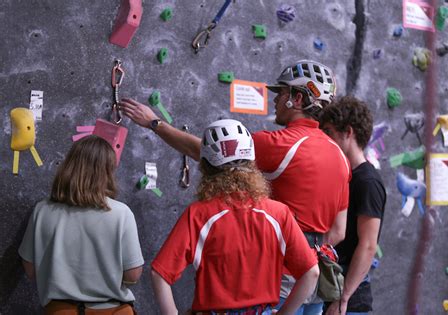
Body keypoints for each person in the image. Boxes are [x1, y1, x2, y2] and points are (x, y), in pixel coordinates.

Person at [120, 60, 350, 314]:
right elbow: (338, 230)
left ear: (296, 99)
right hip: (316, 275)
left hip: (281, 274)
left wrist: (155, 124)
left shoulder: (279, 144)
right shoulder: (339, 156)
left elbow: (211, 152)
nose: (274, 99)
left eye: (280, 92)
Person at [150, 119, 320, 314]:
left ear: (206, 165)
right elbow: (311, 273)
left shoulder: (199, 214)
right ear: (251, 161)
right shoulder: (279, 213)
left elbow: (159, 273)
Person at [18, 135, 144, 315]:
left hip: (61, 311)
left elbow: (30, 270)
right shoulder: (121, 213)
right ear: (107, 171)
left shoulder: (42, 210)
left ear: (69, 166)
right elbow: (133, 275)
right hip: (115, 311)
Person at [319, 96, 386, 315]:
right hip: (330, 287)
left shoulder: (367, 181)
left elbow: (367, 245)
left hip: (349, 298)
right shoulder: (344, 176)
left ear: (348, 132)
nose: (324, 138)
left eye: (328, 132)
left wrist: (343, 298)